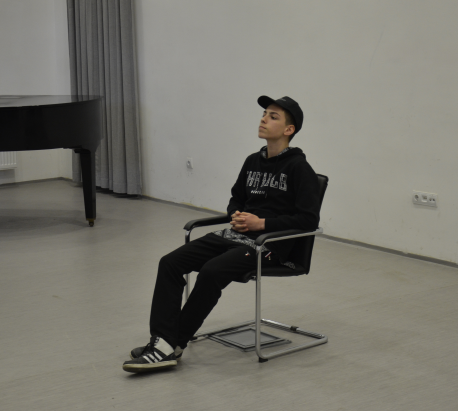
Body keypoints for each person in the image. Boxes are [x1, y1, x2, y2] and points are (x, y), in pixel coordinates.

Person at [122, 95, 320, 373]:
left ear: (289, 129)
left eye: (273, 116)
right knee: (170, 263)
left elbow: (309, 220)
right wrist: (235, 214)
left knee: (212, 271)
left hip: (269, 246)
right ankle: (164, 342)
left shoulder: (299, 168)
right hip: (234, 236)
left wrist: (261, 224)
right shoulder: (253, 160)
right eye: (264, 113)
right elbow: (236, 198)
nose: (264, 119)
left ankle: (172, 344)